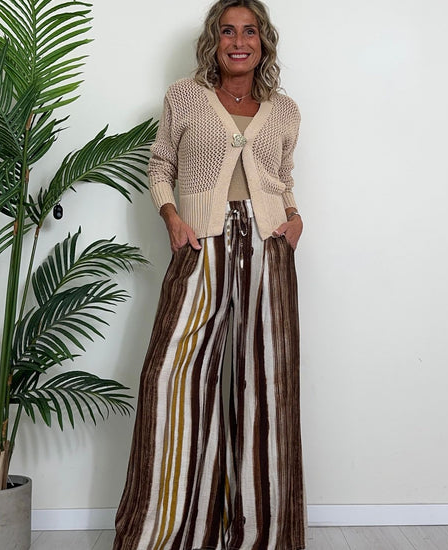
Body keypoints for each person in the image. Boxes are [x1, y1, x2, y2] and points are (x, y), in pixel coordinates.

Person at [114, 1, 305, 548]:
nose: (238, 41)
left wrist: (295, 218)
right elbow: (160, 165)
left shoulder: (285, 110)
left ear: (263, 42)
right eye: (227, 31)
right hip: (201, 242)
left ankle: (264, 534)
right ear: (213, 41)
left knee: (267, 386)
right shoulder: (184, 96)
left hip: (270, 244)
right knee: (170, 378)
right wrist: (172, 218)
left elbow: (284, 176)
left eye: (249, 31)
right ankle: (170, 532)